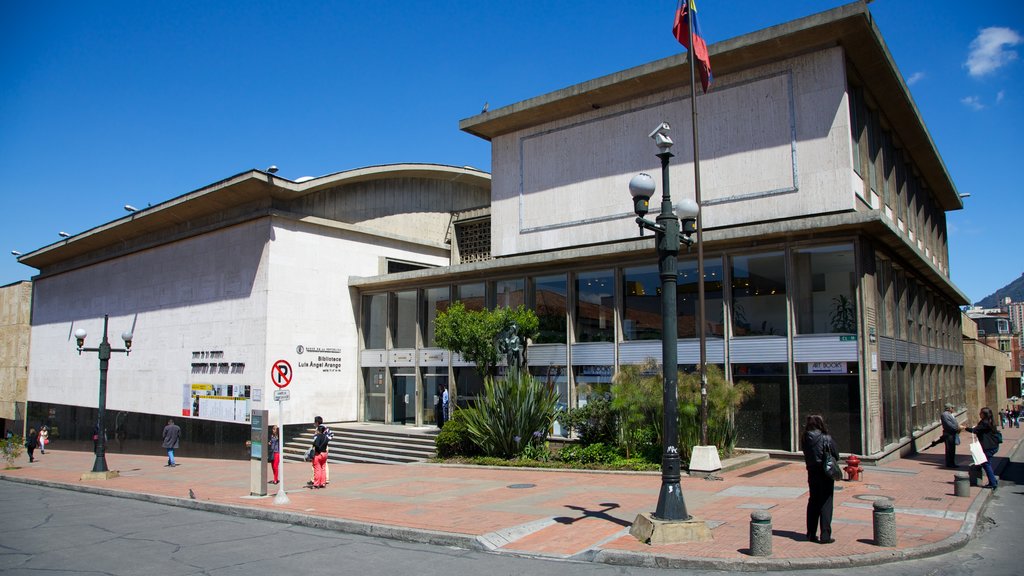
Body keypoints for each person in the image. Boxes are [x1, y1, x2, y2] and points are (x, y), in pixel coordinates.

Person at [802, 414, 840, 544]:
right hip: (825, 473)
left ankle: (810, 533)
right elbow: (836, 455)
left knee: (813, 501)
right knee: (826, 502)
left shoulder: (805, 438)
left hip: (812, 472)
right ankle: (825, 535)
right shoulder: (826, 438)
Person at [963, 407, 999, 491]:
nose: (979, 414)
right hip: (993, 445)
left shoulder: (985, 423)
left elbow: (975, 430)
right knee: (987, 463)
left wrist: (964, 428)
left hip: (988, 446)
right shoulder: (990, 421)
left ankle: (993, 483)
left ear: (984, 414)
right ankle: (992, 481)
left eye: (981, 413)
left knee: (986, 464)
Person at [927, 403, 961, 468]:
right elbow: (949, 424)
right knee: (949, 449)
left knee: (952, 449)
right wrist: (956, 428)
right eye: (952, 408)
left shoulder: (950, 414)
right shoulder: (945, 415)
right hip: (949, 434)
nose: (953, 409)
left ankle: (952, 462)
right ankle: (949, 463)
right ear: (949, 408)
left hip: (952, 433)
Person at [308, 416, 332, 486]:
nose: (314, 424)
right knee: (324, 465)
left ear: (317, 422)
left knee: (316, 466)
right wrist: (326, 441)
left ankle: (314, 480)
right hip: (325, 448)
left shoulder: (319, 429)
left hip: (319, 448)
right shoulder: (325, 427)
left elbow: (316, 440)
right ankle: (325, 480)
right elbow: (331, 435)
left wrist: (322, 442)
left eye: (314, 422)